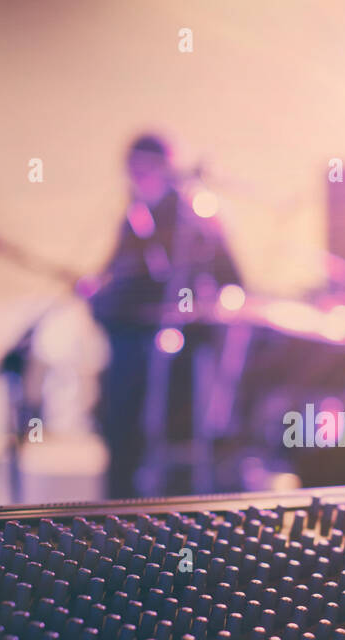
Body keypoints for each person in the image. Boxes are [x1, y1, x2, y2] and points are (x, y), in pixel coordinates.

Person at [87, 134, 241, 498]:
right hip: (129, 356)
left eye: (147, 167)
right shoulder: (133, 219)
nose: (139, 176)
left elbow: (230, 281)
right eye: (133, 168)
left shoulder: (195, 217)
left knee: (176, 453)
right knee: (122, 441)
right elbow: (118, 282)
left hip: (180, 361)